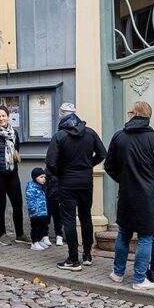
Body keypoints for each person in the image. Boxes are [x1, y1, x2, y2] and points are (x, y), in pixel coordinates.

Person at [104, 101, 154, 287]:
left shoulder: (119, 137)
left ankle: (117, 273)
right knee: (146, 237)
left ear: (133, 114)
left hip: (127, 195)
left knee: (123, 234)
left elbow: (109, 166)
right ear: (148, 117)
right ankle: (139, 279)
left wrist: (125, 180)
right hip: (149, 198)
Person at [46, 102, 106, 271]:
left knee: (69, 220)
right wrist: (88, 165)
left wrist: (61, 172)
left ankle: (73, 259)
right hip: (86, 182)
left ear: (61, 115)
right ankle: (87, 254)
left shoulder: (60, 136)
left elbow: (51, 163)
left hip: (67, 183)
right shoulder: (90, 133)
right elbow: (102, 153)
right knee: (86, 216)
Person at [0, 105, 27, 244]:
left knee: (18, 203)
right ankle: (2, 234)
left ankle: (20, 234)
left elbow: (16, 148)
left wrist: (16, 155)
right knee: (1, 204)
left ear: (8, 116)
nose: (1, 118)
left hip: (12, 172)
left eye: (3, 116)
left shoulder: (14, 132)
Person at [26, 168, 51, 250]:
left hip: (42, 212)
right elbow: (30, 199)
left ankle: (39, 240)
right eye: (41, 177)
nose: (43, 179)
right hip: (36, 212)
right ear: (35, 177)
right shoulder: (32, 187)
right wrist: (33, 209)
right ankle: (34, 242)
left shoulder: (42, 187)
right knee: (36, 227)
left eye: (44, 177)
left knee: (42, 227)